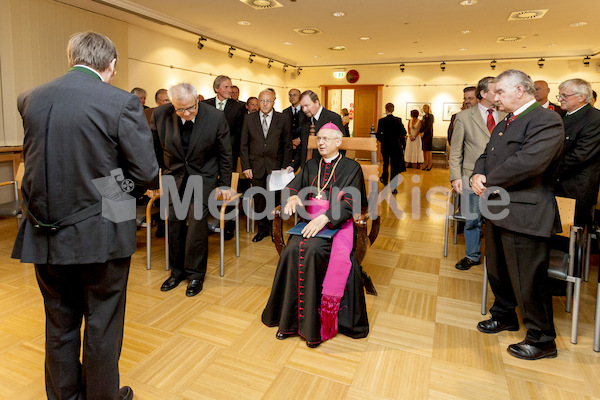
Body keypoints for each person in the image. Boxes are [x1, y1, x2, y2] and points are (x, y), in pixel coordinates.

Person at [13, 31, 158, 400]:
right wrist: (113, 192)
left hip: (43, 232)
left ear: (71, 57)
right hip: (102, 234)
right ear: (111, 65)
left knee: (59, 322)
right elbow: (145, 174)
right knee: (101, 322)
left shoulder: (30, 98)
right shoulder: (122, 102)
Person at [471, 69, 563, 360]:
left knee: (528, 279)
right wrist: (476, 173)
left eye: (500, 92)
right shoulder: (505, 122)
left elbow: (529, 163)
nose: (494, 97)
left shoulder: (546, 120)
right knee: (498, 270)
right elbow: (487, 154)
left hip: (526, 213)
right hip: (498, 208)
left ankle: (542, 338)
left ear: (520, 92)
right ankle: (505, 315)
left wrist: (488, 180)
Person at [262, 123, 369, 348]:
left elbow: (353, 201)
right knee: (292, 249)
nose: (321, 142)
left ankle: (313, 325)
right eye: (319, 139)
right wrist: (291, 198)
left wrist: (327, 217)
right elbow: (293, 186)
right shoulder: (311, 164)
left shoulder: (352, 168)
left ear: (338, 142)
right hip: (309, 224)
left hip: (338, 227)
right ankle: (289, 322)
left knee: (311, 250)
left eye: (326, 139)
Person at [152, 83, 232, 297]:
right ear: (172, 105)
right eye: (180, 109)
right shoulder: (160, 115)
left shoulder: (215, 117)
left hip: (203, 178)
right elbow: (155, 150)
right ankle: (177, 272)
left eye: (191, 108)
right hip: (174, 177)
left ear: (197, 99)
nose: (186, 113)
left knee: (197, 225)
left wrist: (224, 184)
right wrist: (159, 177)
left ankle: (196, 274)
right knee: (175, 226)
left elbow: (225, 154)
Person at [449, 76, 505, 271]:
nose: (499, 94)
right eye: (495, 90)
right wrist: (456, 177)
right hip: (471, 176)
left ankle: (498, 258)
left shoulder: (507, 114)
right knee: (472, 220)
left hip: (501, 178)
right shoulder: (464, 117)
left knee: (499, 220)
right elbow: (456, 149)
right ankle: (472, 255)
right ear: (483, 93)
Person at [240, 89, 293, 242]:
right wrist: (246, 166)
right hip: (255, 167)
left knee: (275, 200)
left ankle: (274, 230)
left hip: (276, 167)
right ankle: (262, 230)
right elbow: (243, 145)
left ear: (273, 102)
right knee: (259, 200)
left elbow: (287, 144)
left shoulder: (283, 119)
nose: (264, 104)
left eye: (268, 101)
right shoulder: (249, 119)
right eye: (261, 100)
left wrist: (285, 165)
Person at [554, 78, 600, 229]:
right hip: (556, 186)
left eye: (565, 95)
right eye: (559, 95)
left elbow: (580, 155)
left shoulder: (595, 118)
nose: (560, 99)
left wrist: (547, 168)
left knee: (571, 240)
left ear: (581, 97)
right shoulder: (561, 116)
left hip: (575, 190)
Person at [294, 90, 346, 170]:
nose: (304, 109)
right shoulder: (305, 121)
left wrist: (332, 168)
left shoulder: (333, 118)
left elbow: (341, 146)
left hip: (326, 169)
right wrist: (293, 166)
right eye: (302, 107)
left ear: (317, 102)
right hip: (307, 169)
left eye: (307, 105)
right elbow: (303, 146)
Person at [376, 103, 407, 192]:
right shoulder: (398, 120)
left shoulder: (381, 121)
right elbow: (403, 133)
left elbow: (378, 134)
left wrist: (382, 140)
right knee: (394, 166)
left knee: (385, 163)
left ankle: (385, 180)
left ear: (386, 110)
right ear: (393, 110)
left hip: (385, 146)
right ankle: (393, 187)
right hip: (395, 146)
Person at [283, 88, 306, 171]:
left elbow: (307, 128)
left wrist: (300, 139)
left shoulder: (305, 111)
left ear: (300, 96)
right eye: (290, 95)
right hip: (289, 146)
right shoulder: (285, 112)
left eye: (294, 95)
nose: (292, 97)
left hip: (303, 145)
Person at [419, 104, 434, 170]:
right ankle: (425, 164)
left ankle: (430, 164)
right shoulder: (424, 117)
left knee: (428, 151)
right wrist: (420, 132)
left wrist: (424, 132)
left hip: (428, 135)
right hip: (423, 136)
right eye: (423, 108)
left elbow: (429, 126)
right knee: (424, 150)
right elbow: (422, 125)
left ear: (428, 109)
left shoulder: (431, 116)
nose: (424, 109)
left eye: (425, 108)